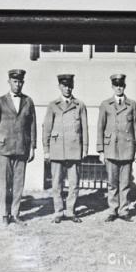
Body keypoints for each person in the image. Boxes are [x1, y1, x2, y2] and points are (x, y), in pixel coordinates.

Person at [0, 69, 36, 226]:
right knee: (5, 184)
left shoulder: (28, 101)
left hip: (22, 147)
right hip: (4, 149)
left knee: (18, 184)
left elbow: (32, 126)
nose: (18, 84)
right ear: (9, 82)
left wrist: (32, 147)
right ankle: (4, 214)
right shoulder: (0, 101)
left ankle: (15, 214)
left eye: (20, 81)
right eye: (15, 81)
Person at [43, 74, 88, 224]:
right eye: (64, 86)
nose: (67, 88)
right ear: (59, 87)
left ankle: (70, 211)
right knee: (57, 183)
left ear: (73, 86)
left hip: (74, 149)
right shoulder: (53, 105)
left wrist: (85, 149)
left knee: (74, 183)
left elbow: (84, 128)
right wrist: (46, 149)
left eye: (69, 86)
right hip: (57, 150)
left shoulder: (79, 105)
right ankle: (58, 211)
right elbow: (47, 129)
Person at [97, 74, 136, 222]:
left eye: (121, 85)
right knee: (112, 182)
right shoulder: (105, 104)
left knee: (125, 182)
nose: (119, 88)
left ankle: (123, 210)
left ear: (124, 86)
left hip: (127, 148)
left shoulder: (132, 104)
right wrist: (101, 150)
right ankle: (112, 210)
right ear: (112, 87)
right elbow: (100, 128)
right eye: (116, 85)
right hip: (110, 149)